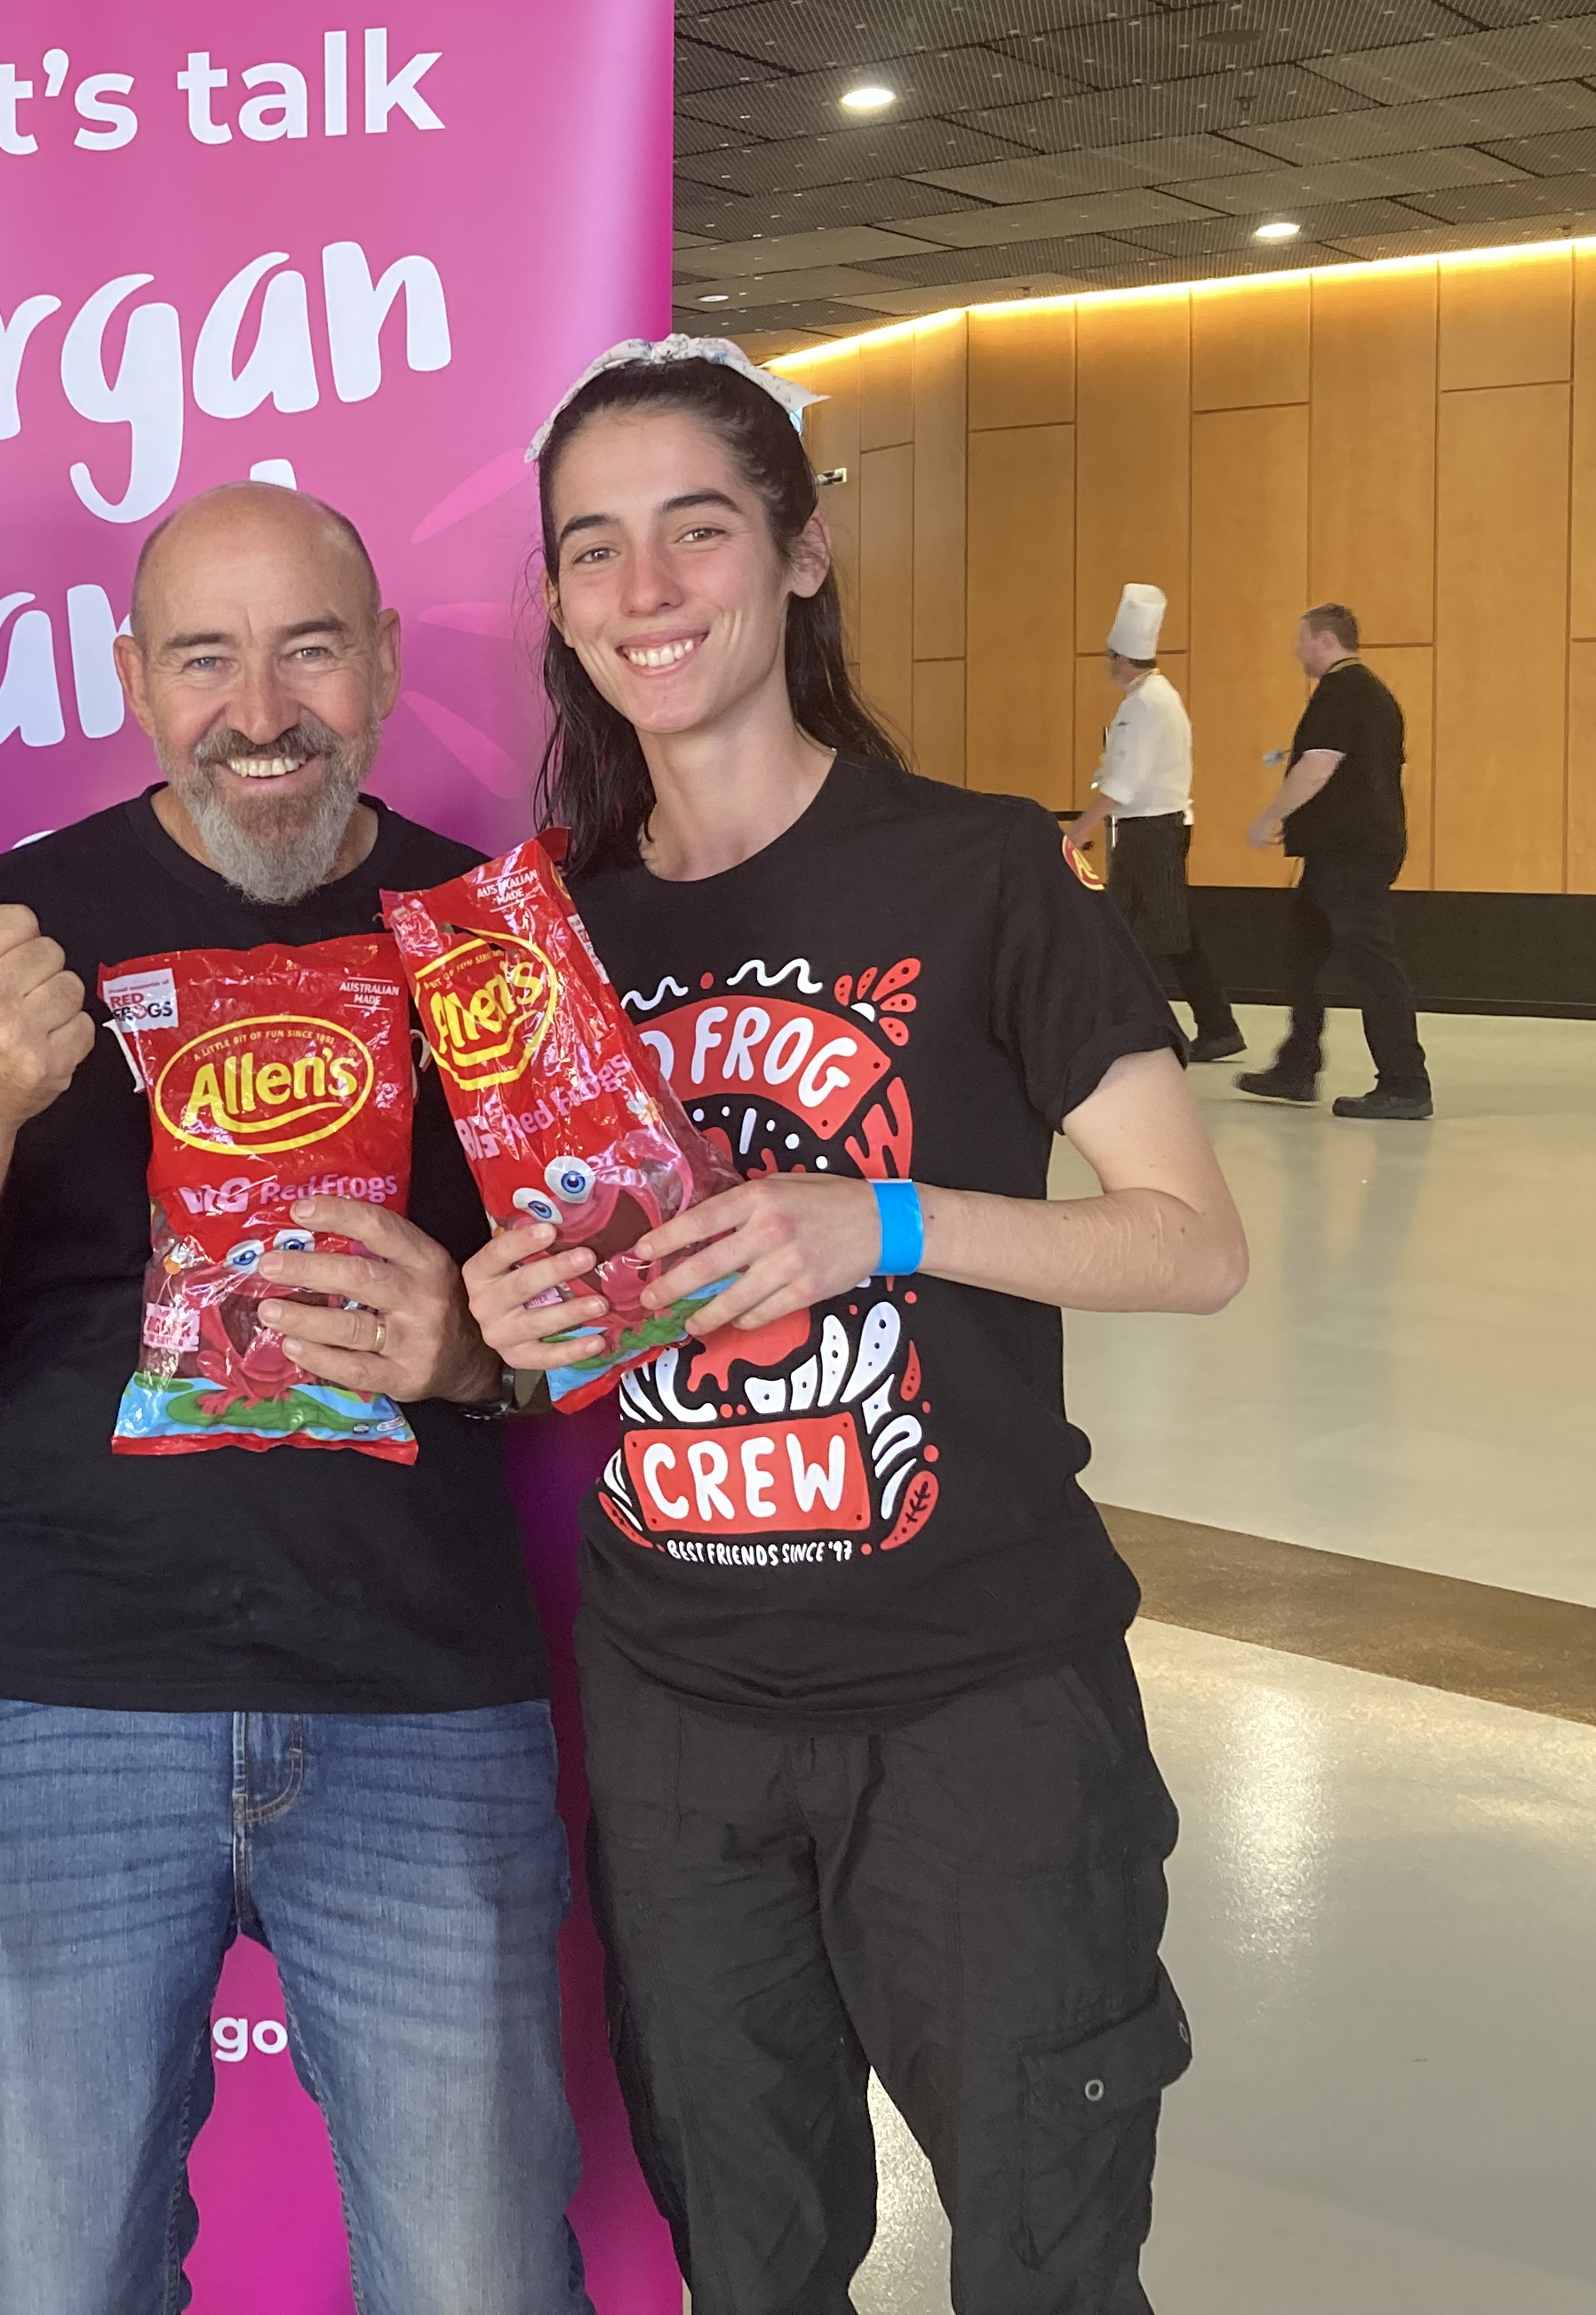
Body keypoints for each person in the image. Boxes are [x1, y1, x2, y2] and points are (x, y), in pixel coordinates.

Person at [459, 339, 1249, 2315]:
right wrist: (512, 1312)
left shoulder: (980, 868)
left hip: (976, 1700)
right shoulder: (541, 931)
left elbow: (1190, 1242)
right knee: (748, 2263)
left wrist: (876, 1219)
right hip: (677, 1713)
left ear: (800, 556)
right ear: (556, 602)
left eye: (697, 530)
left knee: (1046, 2264)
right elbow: (562, 1332)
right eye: (595, 548)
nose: (647, 590)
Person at [0, 482, 588, 2315]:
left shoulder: (492, 937)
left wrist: (469, 1352)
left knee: (482, 2277)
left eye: (312, 646)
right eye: (206, 657)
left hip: (422, 1704)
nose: (263, 708)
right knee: (63, 2280)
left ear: (386, 662)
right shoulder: (6, 939)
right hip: (63, 1701)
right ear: (132, 681)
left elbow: (596, 1324)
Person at [1240, 603, 1429, 1120]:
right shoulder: (1375, 695)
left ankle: (1405, 1082)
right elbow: (1398, 772)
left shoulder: (1342, 692)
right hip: (1345, 850)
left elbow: (1318, 765)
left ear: (1324, 640)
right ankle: (1297, 1065)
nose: (1296, 650)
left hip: (1350, 855)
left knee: (1373, 964)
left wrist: (1270, 815)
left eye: (1301, 640)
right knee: (1303, 954)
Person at [1064, 580, 1242, 1063]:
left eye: (1110, 656)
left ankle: (1213, 1026)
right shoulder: (1153, 698)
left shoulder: (1145, 704)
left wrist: (1078, 832)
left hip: (1152, 829)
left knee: (1171, 932)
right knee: (1126, 931)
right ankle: (1139, 1023)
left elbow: (1124, 783)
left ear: (1122, 657)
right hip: (1147, 828)